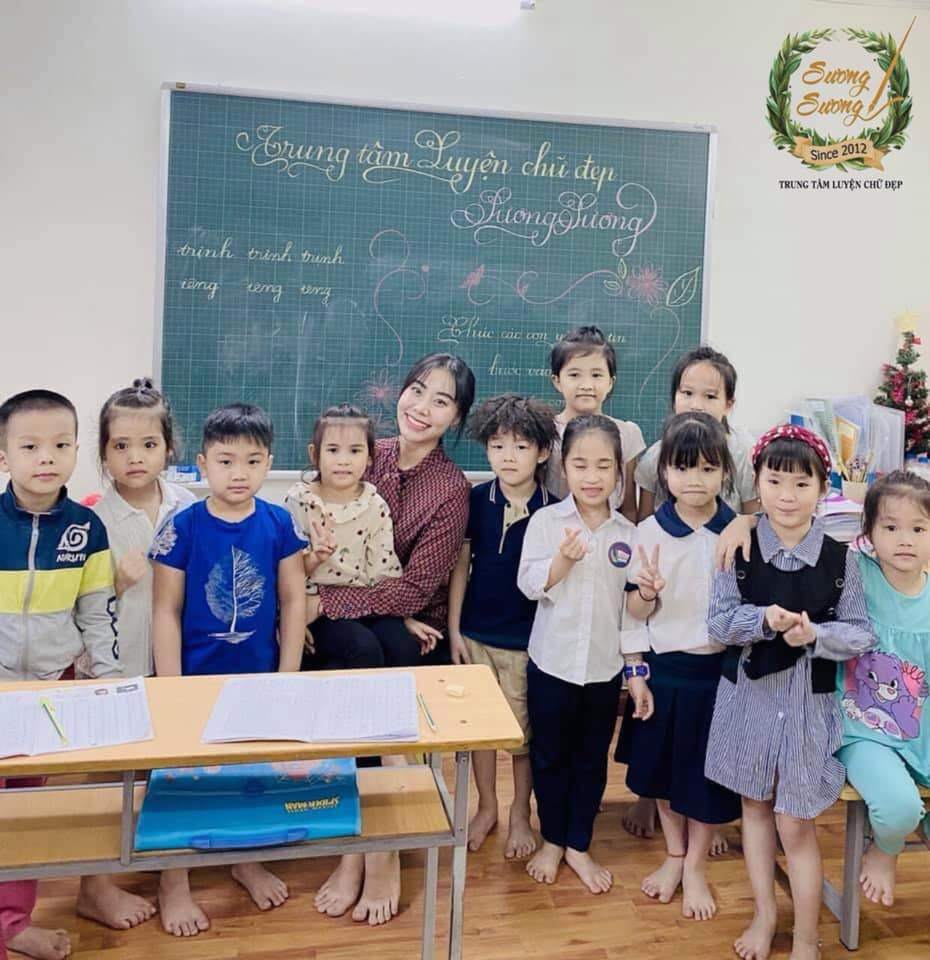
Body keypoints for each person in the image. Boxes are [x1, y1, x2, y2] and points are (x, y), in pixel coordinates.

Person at [306, 354, 475, 926]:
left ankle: (366, 848)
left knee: (395, 650)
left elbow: (418, 587)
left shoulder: (451, 488)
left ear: (456, 417)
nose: (422, 408)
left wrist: (329, 604)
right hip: (356, 612)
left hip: (404, 617)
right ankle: (376, 836)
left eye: (441, 401)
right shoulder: (360, 449)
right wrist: (318, 600)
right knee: (367, 653)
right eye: (417, 390)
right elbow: (312, 530)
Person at [703, 424, 875, 960]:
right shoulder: (738, 545)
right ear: (757, 482)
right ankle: (765, 914)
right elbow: (719, 623)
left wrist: (815, 635)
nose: (787, 495)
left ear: (823, 488)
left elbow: (860, 633)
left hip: (808, 707)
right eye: (775, 481)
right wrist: (762, 621)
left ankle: (805, 936)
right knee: (754, 808)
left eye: (802, 484)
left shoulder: (842, 559)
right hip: (749, 703)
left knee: (796, 823)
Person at [0, 389, 154, 960]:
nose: (47, 457)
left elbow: (96, 613)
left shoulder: (86, 528)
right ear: (4, 455)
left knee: (24, 817)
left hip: (49, 691)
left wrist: (112, 683)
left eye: (61, 445)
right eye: (30, 446)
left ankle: (12, 923)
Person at [150, 403, 306, 937]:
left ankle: (245, 858)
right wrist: (170, 688)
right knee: (178, 777)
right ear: (202, 464)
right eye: (225, 461)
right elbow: (165, 610)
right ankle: (174, 880)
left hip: (258, 678)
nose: (239, 473)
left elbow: (293, 600)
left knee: (252, 773)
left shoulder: (279, 523)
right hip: (192, 679)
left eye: (253, 461)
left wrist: (288, 676)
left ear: (269, 464)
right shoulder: (183, 526)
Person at [615, 412, 741, 921]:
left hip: (719, 675)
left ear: (725, 474)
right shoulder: (648, 532)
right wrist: (636, 672)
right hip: (664, 672)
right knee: (664, 775)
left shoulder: (737, 531)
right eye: (684, 468)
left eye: (708, 469)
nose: (695, 480)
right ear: (663, 472)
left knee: (706, 780)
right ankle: (673, 855)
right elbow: (632, 612)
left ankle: (695, 866)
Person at [518, 414, 634, 894]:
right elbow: (529, 585)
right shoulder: (546, 522)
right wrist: (563, 561)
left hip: (604, 670)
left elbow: (633, 610)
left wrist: (648, 595)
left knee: (591, 760)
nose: (592, 476)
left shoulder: (628, 533)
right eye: (581, 465)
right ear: (563, 468)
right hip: (552, 664)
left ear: (619, 471)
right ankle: (552, 838)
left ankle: (579, 844)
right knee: (549, 757)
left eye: (604, 466)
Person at [447, 394, 558, 858]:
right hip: (476, 633)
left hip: (525, 641)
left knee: (521, 736)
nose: (507, 457)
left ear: (543, 452)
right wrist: (455, 628)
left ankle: (520, 814)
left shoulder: (555, 509)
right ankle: (487, 806)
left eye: (520, 446)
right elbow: (460, 566)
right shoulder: (476, 500)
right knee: (482, 731)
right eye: (497, 446)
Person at [836, 471, 930, 907]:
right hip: (863, 732)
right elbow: (800, 539)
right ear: (869, 533)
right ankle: (885, 850)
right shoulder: (855, 573)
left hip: (921, 732)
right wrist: (744, 522)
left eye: (918, 529)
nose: (904, 540)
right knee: (899, 808)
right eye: (890, 527)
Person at [285, 403, 441, 663]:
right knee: (363, 649)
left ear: (370, 457)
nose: (343, 460)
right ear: (315, 454)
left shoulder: (374, 504)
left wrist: (403, 617)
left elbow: (384, 568)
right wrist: (290, 619)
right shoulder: (300, 502)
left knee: (403, 647)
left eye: (355, 450)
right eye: (333, 450)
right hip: (316, 608)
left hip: (365, 602)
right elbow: (286, 572)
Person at [93, 378, 196, 677]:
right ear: (104, 453)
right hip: (121, 667)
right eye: (121, 445)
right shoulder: (93, 523)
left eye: (149, 444)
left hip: (183, 662)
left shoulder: (188, 507)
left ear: (168, 448)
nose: (135, 457)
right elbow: (79, 610)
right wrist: (117, 583)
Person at [545, 325, 644, 522]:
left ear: (610, 382)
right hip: (554, 533)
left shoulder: (627, 434)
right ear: (557, 381)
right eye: (574, 375)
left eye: (597, 375)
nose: (586, 385)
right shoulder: (545, 432)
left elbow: (629, 508)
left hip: (609, 535)